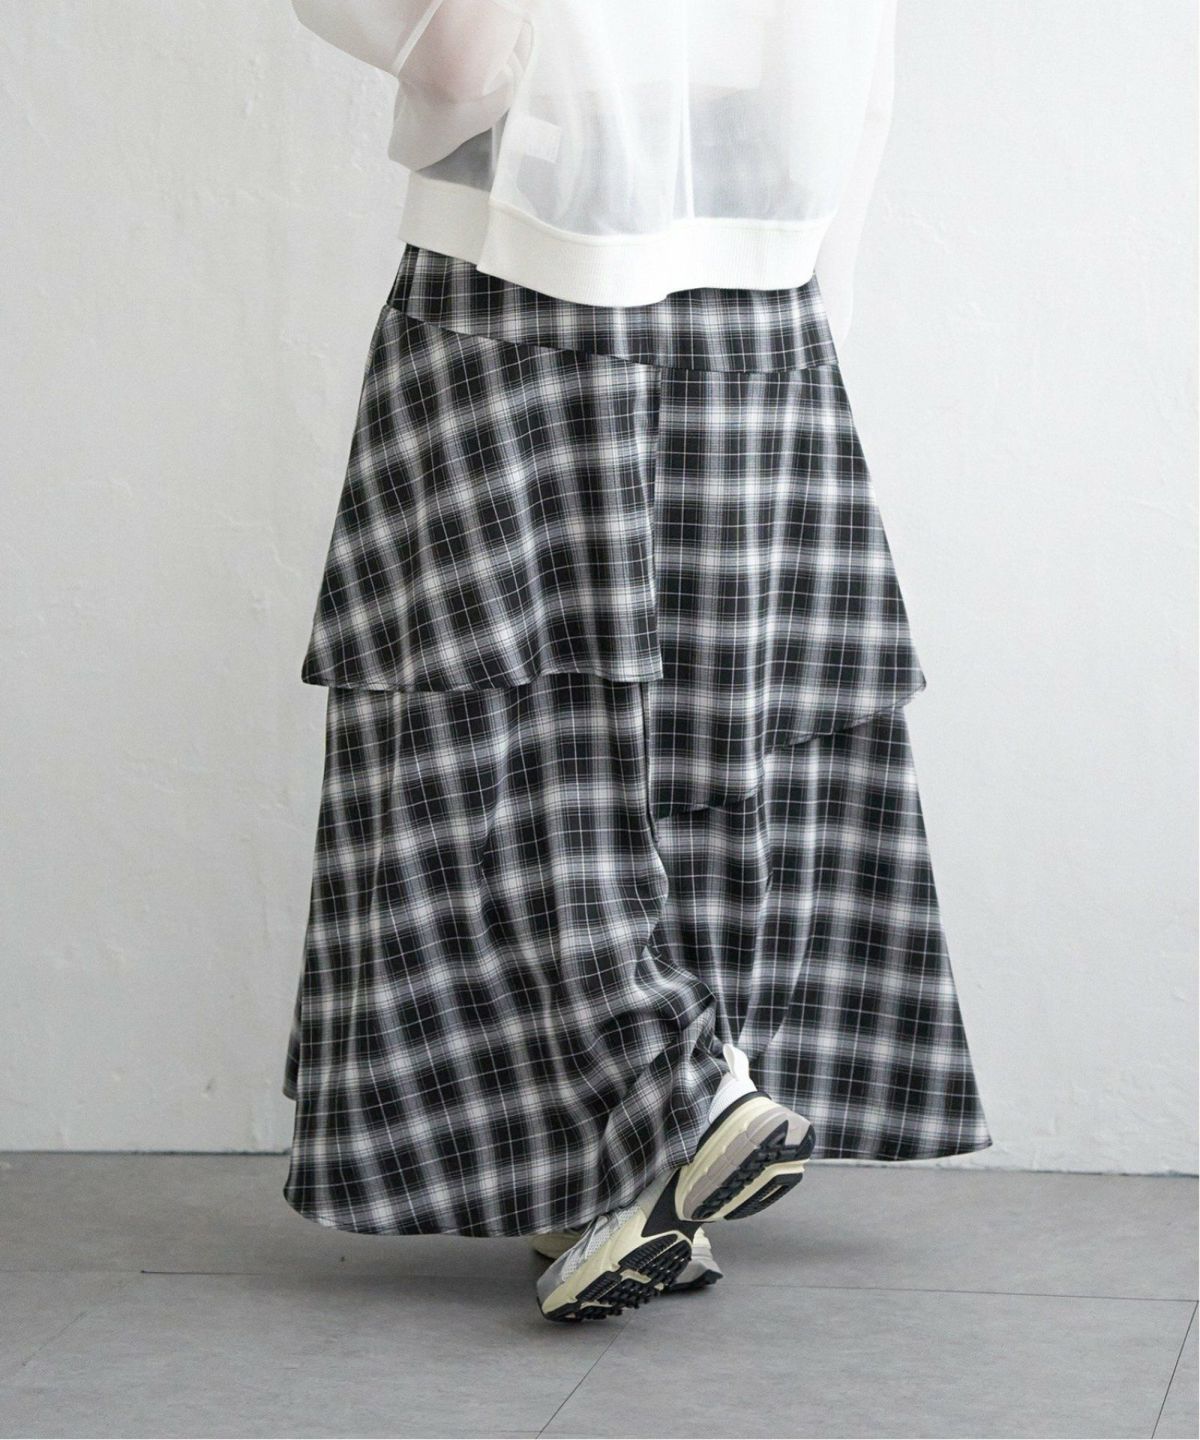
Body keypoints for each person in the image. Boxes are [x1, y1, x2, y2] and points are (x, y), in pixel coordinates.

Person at [282, 0, 993, 1323]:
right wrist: (802, 306)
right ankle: (630, 1183)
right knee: (708, 737)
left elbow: (461, 55)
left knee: (487, 734)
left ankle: (687, 1096)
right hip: (766, 312)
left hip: (516, 284)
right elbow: (862, 90)